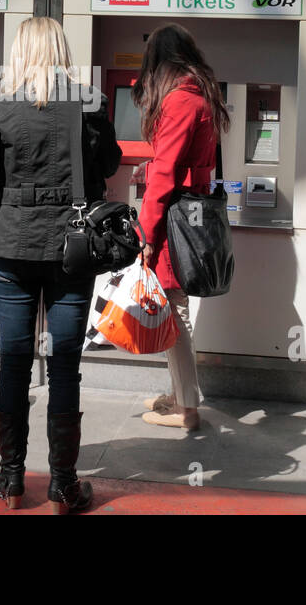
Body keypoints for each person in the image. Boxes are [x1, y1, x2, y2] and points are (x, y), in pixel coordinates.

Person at [0, 17, 121, 513]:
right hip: (71, 252)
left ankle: (12, 481)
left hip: (13, 250)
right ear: (61, 51)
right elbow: (107, 170)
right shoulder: (90, 102)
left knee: (13, 364)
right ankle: (63, 487)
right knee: (65, 368)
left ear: (19, 52)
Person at [131, 24, 230, 432]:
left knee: (173, 311)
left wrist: (145, 236)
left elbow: (166, 176)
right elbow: (183, 164)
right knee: (174, 308)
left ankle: (188, 409)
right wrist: (151, 165)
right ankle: (179, 394)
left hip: (172, 218)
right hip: (190, 212)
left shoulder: (177, 102)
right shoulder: (202, 93)